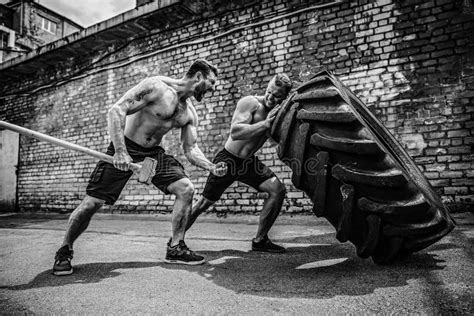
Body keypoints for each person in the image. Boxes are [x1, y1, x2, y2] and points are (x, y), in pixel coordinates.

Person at [53, 59, 227, 275]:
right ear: (198, 77)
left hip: (153, 153)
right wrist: (120, 151)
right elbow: (116, 111)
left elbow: (191, 148)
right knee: (92, 203)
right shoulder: (157, 87)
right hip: (125, 146)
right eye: (211, 82)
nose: (212, 88)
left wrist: (210, 166)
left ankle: (175, 247)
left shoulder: (189, 112)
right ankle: (64, 249)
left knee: (186, 189)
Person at [186, 73, 293, 252]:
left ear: (284, 97)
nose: (270, 97)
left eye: (276, 96)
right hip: (228, 159)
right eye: (269, 91)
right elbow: (236, 132)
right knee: (203, 204)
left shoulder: (277, 113)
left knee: (278, 190)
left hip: (248, 163)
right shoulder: (250, 103)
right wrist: (265, 125)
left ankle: (260, 240)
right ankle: (174, 241)